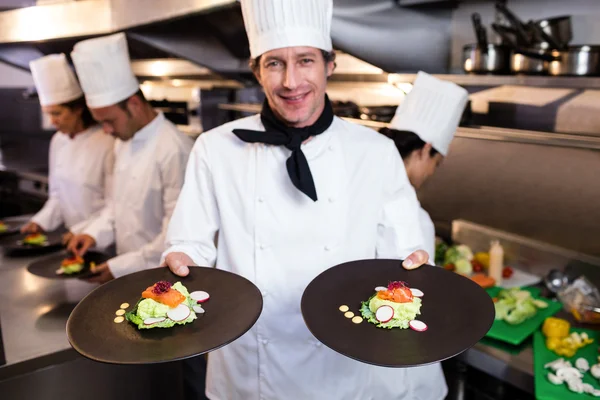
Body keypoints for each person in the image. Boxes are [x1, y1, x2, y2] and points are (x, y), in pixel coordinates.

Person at [162, 1, 441, 399]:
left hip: (343, 365)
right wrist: (181, 261)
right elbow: (190, 244)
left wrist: (413, 266)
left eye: (305, 60)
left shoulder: (375, 152)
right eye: (275, 63)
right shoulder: (215, 149)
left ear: (330, 65)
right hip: (251, 369)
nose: (291, 81)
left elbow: (403, 253)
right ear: (256, 70)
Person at [66, 33, 193, 284]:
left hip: (161, 275)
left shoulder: (175, 149)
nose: (106, 130)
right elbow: (116, 205)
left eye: (109, 121)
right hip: (127, 272)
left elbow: (176, 233)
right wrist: (92, 234)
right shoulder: (122, 142)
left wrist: (121, 267)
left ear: (134, 104)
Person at [21, 54, 114, 244]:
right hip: (73, 240)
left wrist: (87, 232)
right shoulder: (58, 141)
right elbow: (57, 196)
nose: (52, 121)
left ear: (78, 109)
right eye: (48, 114)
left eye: (57, 113)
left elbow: (115, 205)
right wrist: (39, 222)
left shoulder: (108, 142)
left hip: (104, 239)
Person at [379, 72, 469, 262]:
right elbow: (419, 286)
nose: (430, 173)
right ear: (425, 149)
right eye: (435, 164)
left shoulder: (358, 177)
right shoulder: (414, 218)